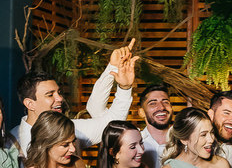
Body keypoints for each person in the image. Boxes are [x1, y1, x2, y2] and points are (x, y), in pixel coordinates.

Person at [9, 40, 137, 160]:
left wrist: (122, 83)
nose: (60, 98)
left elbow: (112, 124)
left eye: (59, 93)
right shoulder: (13, 140)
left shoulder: (73, 128)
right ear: (30, 104)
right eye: (50, 95)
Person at [137, 83, 173, 168]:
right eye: (153, 103)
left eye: (165, 102)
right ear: (141, 112)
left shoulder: (184, 142)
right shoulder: (135, 144)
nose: (161, 107)